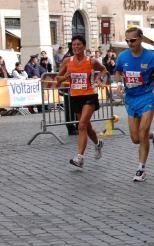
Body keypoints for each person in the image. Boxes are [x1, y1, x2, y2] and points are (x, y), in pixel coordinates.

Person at [114, 27, 154, 182]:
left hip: (147, 97)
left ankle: (141, 168)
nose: (129, 43)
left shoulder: (151, 56)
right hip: (131, 99)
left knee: (142, 131)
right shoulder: (122, 56)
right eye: (127, 40)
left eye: (132, 40)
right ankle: (153, 136)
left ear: (140, 39)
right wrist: (119, 83)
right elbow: (118, 72)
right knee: (135, 138)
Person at [56, 35, 107, 168]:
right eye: (74, 45)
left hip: (89, 95)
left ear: (84, 46)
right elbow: (58, 78)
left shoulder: (91, 61)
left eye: (78, 44)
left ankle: (80, 157)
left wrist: (99, 79)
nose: (76, 47)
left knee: (81, 125)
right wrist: (64, 76)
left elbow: (104, 70)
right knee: (86, 126)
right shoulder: (68, 61)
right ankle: (97, 143)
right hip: (75, 96)